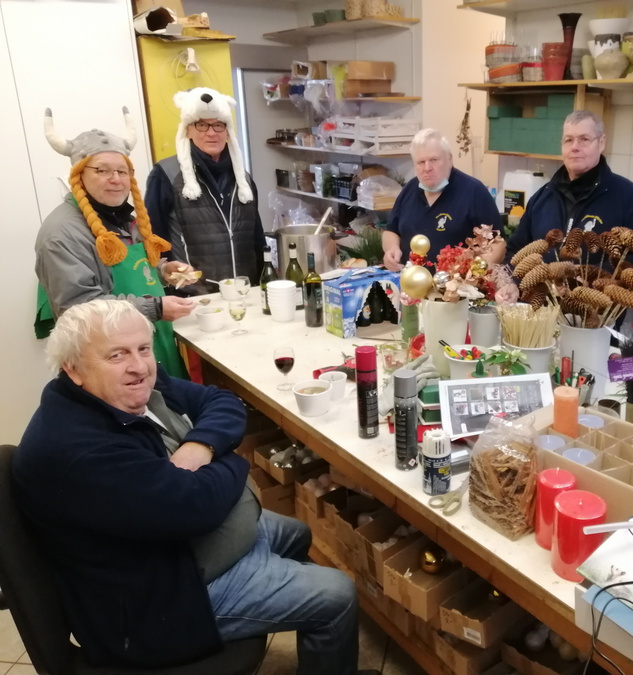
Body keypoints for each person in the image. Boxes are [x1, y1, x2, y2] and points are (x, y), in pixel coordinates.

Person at [13, 299, 376, 675]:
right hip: (155, 603)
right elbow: (194, 506)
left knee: (296, 532)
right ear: (73, 368)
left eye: (143, 348)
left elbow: (222, 401)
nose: (139, 366)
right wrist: (233, 458)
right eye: (116, 355)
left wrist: (202, 447)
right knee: (336, 594)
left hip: (168, 552)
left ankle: (292, 620)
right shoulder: (77, 448)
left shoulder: (127, 388)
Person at [35, 107, 194, 377]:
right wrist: (155, 307)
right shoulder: (61, 233)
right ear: (79, 175)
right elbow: (80, 309)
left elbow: (131, 270)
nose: (116, 180)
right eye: (102, 170)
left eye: (123, 171)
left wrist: (163, 270)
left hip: (153, 344)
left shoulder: (123, 218)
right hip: (109, 363)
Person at [145, 87, 266, 295]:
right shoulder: (166, 174)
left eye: (218, 125)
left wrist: (264, 282)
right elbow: (153, 239)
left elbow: (257, 237)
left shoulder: (243, 178)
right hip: (193, 297)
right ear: (188, 129)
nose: (211, 133)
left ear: (227, 130)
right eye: (201, 125)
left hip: (245, 293)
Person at [505, 110, 633, 265]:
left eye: (584, 139)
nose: (575, 147)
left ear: (601, 143)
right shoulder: (541, 198)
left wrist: (593, 277)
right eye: (569, 140)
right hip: (541, 281)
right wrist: (518, 278)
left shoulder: (630, 199)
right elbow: (514, 252)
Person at [383, 128, 503, 270]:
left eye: (434, 160)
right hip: (409, 278)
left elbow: (498, 244)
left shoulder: (474, 191)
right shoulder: (409, 189)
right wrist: (391, 249)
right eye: (421, 162)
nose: (427, 168)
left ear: (449, 159)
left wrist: (476, 272)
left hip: (456, 281)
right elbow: (391, 230)